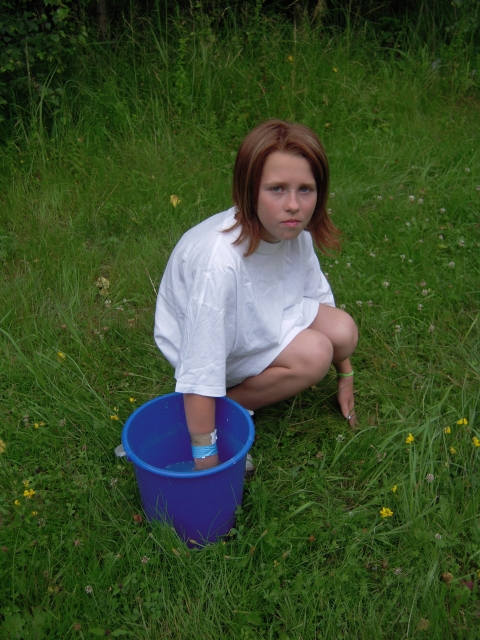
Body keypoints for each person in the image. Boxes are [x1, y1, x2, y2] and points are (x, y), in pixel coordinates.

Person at [154, 120, 358, 470]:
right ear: (248, 190)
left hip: (265, 317)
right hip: (214, 347)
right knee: (316, 354)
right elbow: (201, 367)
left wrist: (346, 376)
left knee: (343, 331)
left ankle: (229, 404)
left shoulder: (296, 236)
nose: (293, 205)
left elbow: (320, 301)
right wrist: (207, 465)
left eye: (305, 189)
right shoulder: (219, 262)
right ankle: (223, 412)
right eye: (276, 189)